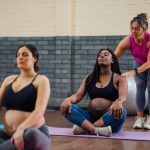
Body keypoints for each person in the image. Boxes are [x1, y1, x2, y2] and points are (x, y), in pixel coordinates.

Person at [60, 48, 127, 136]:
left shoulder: (119, 78)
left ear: (112, 60)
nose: (102, 56)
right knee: (68, 108)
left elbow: (123, 96)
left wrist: (118, 102)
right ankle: (96, 130)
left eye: (106, 55)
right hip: (89, 118)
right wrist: (68, 100)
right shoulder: (89, 78)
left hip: (109, 120)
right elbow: (77, 96)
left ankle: (86, 129)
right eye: (99, 55)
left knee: (123, 112)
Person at [0, 44, 51, 150]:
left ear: (34, 58)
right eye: (18, 55)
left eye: (24, 54)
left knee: (32, 133)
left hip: (34, 136)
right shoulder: (9, 80)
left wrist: (21, 129)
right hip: (9, 136)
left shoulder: (41, 80)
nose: (20, 57)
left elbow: (39, 111)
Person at [114, 13, 150, 129]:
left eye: (137, 29)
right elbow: (113, 58)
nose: (134, 31)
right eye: (132, 28)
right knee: (140, 86)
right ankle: (139, 118)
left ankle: (149, 118)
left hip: (148, 62)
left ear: (144, 29)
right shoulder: (128, 40)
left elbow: (149, 63)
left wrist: (133, 71)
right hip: (139, 61)